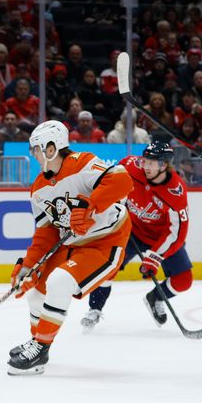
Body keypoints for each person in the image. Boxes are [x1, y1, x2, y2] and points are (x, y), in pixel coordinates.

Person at [8, 120, 132, 375]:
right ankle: (37, 343)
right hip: (72, 244)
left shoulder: (82, 162)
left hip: (105, 242)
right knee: (35, 291)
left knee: (59, 282)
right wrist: (28, 266)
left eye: (36, 149)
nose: (33, 154)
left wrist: (91, 204)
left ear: (51, 148)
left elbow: (122, 182)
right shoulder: (38, 189)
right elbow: (46, 232)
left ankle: (41, 347)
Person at [81, 142, 192, 332]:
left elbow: (177, 232)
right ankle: (94, 309)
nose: (146, 166)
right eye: (145, 160)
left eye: (152, 163)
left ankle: (155, 297)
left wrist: (154, 257)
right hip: (130, 230)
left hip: (161, 238)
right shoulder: (131, 166)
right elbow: (109, 180)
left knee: (183, 281)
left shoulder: (176, 191)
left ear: (164, 165)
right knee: (107, 267)